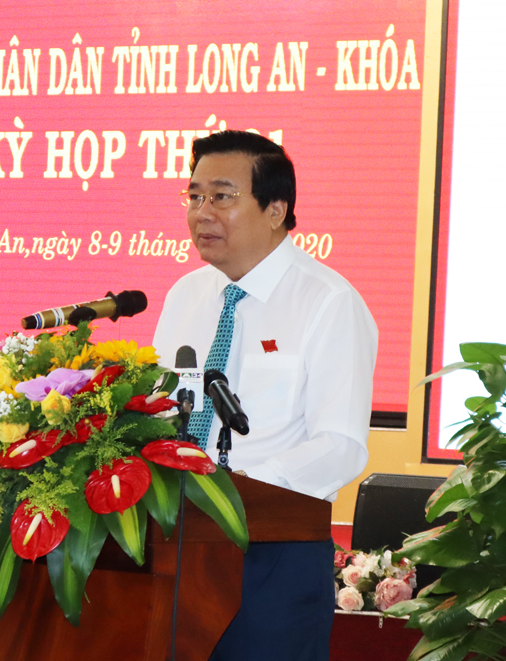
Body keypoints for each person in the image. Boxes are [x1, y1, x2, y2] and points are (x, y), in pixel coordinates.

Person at [152, 130, 377, 660]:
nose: (202, 212)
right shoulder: (185, 296)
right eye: (195, 196)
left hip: (272, 557)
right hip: (175, 550)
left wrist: (233, 492)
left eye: (222, 196)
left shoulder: (328, 302)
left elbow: (341, 445)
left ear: (275, 210)